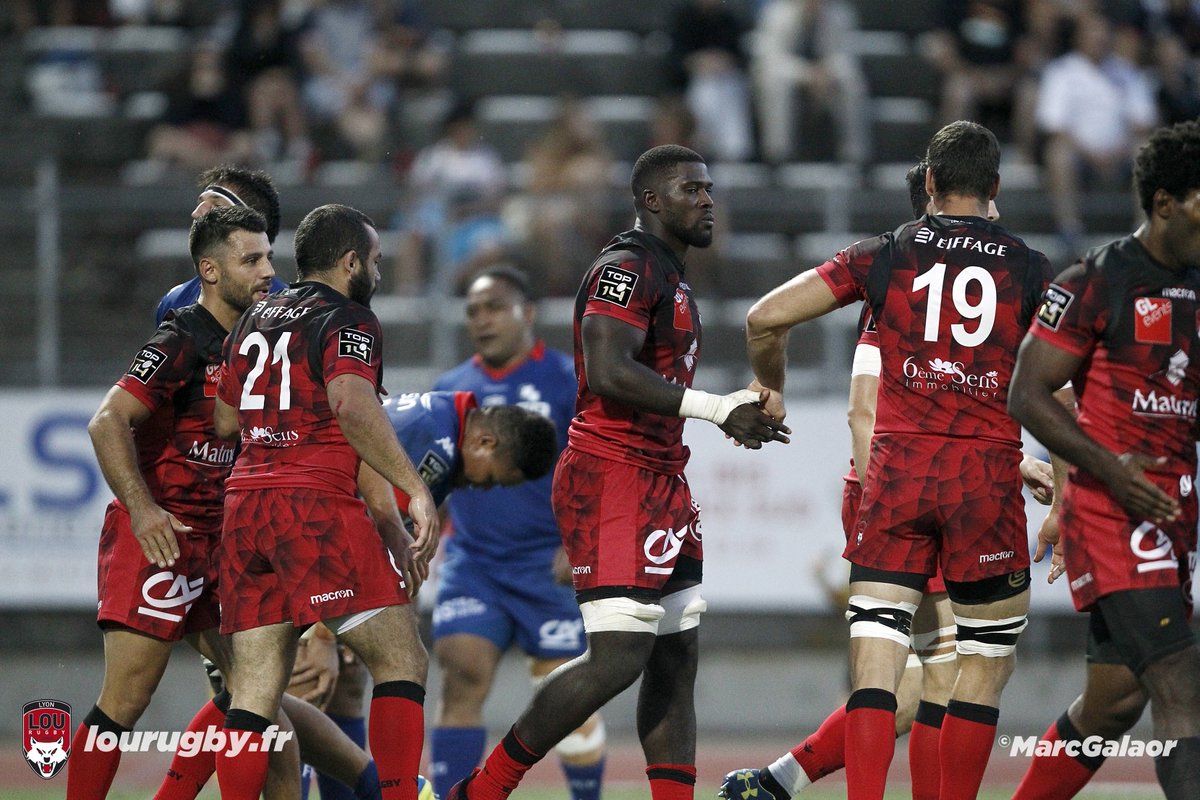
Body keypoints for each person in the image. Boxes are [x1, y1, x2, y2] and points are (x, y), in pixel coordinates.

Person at [445, 144, 788, 800]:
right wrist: (717, 408)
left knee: (676, 656)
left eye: (709, 189)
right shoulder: (626, 267)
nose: (707, 201)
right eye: (692, 190)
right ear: (651, 200)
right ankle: (481, 790)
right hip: (613, 473)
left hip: (661, 475)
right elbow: (607, 370)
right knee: (618, 658)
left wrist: (733, 407)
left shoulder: (669, 273)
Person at [720, 159, 1052, 800]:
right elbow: (864, 412)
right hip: (903, 484)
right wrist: (892, 494)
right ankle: (784, 781)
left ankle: (778, 781)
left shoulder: (904, 285)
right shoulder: (915, 300)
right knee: (947, 670)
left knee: (922, 675)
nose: (995, 216)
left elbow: (940, 407)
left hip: (908, 481)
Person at [212, 203, 440, 800]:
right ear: (350, 262)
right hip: (310, 507)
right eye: (376, 262)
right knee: (403, 660)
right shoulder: (350, 319)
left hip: (244, 508)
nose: (379, 274)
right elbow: (351, 406)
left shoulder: (255, 316)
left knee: (253, 695)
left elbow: (225, 419)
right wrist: (415, 489)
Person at [68, 207, 293, 800]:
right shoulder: (180, 338)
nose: (268, 271)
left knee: (252, 694)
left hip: (224, 542)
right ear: (210, 271)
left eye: (269, 257)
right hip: (163, 539)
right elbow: (107, 422)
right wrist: (143, 511)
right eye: (252, 260)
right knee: (127, 699)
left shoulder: (260, 341)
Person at [1008, 120, 1200, 799]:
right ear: (1165, 203)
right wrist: (1111, 469)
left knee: (1113, 705)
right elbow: (1028, 393)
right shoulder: (1097, 279)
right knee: (1183, 686)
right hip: (1113, 513)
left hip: (1171, 516)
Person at [425, 267, 607, 800]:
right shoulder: (452, 389)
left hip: (547, 565)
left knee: (566, 699)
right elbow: (436, 475)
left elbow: (598, 466)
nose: (481, 320)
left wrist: (579, 541)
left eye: (494, 308)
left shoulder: (567, 379)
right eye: (473, 311)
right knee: (460, 675)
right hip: (473, 563)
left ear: (527, 313)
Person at [156, 165, 287, 325]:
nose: (196, 213)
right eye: (200, 203)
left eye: (216, 207)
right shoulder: (174, 302)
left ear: (253, 224)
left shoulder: (291, 311)